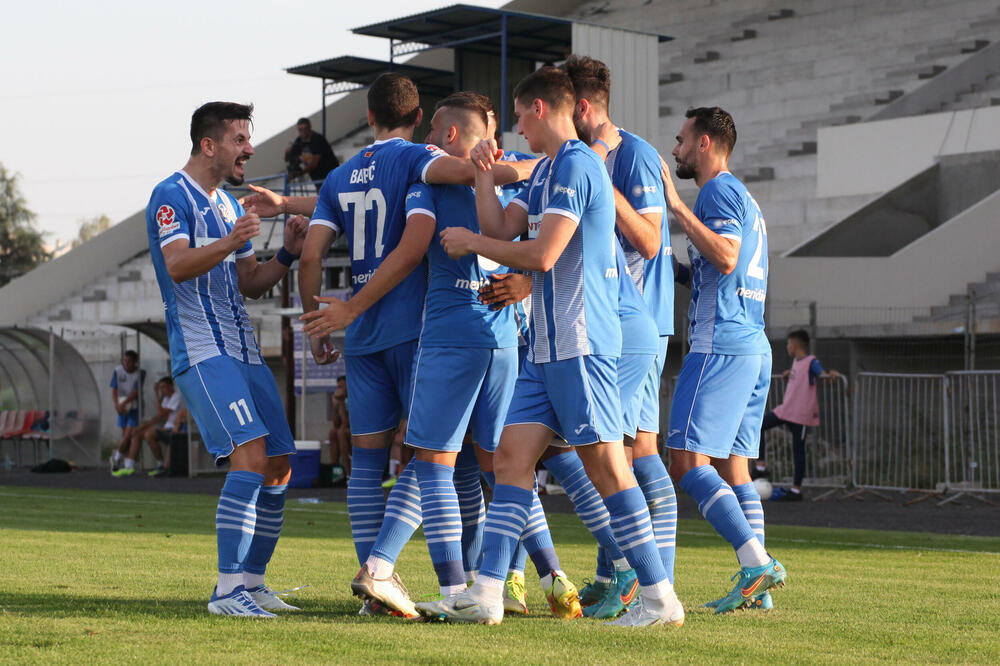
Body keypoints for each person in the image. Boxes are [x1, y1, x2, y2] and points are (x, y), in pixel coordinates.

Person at [419, 66, 683, 627]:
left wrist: (471, 241)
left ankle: (660, 598)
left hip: (582, 344)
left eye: (518, 115)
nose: (515, 126)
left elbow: (542, 255)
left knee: (610, 470)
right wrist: (485, 176)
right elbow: (502, 223)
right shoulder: (543, 173)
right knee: (512, 460)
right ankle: (489, 593)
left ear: (539, 109)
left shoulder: (577, 165)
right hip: (546, 348)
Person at [265, 73, 535, 617]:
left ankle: (381, 584)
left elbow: (313, 254)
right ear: (417, 122)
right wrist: (551, 162)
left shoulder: (340, 177)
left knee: (368, 465)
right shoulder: (418, 159)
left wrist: (322, 317)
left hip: (361, 337)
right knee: (434, 457)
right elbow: (469, 173)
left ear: (368, 116)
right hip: (419, 329)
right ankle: (454, 584)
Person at [146, 101, 309, 618]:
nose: (250, 148)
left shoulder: (231, 206)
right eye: (240, 139)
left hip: (244, 349)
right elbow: (176, 266)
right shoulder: (171, 195)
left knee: (280, 466)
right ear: (209, 145)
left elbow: (250, 284)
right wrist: (230, 241)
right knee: (251, 456)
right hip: (202, 349)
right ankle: (226, 590)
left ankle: (254, 584)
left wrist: (285, 253)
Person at [564, 54, 679, 615]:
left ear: (582, 107)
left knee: (614, 453)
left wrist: (599, 188)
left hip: (636, 324)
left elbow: (653, 242)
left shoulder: (630, 155)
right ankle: (622, 574)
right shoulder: (590, 155)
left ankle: (640, 578)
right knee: (623, 450)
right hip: (614, 322)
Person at [661, 106, 786, 614]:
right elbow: (722, 268)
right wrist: (669, 267)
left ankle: (755, 562)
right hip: (752, 344)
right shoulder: (745, 199)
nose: (676, 149)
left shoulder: (717, 191)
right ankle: (757, 590)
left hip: (722, 344)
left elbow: (728, 256)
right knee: (736, 468)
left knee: (686, 461)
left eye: (681, 139)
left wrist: (675, 205)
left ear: (706, 143)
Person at [755, 329, 841, 501]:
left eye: (788, 343)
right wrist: (789, 374)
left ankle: (796, 490)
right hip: (787, 410)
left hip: (800, 415)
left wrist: (831, 375)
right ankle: (761, 466)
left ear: (795, 344)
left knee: (798, 450)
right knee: (759, 425)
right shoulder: (796, 362)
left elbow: (823, 376)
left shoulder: (811, 362)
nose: (787, 346)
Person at [112, 376, 182, 477]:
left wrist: (156, 395)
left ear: (171, 386)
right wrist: (143, 426)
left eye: (164, 387)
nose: (162, 390)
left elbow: (162, 412)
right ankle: (129, 466)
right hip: (166, 427)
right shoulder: (166, 399)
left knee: (149, 434)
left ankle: (161, 464)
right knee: (137, 433)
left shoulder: (177, 396)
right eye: (160, 388)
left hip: (175, 428)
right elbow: (158, 417)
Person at [109, 350, 144, 474]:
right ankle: (126, 464)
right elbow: (114, 389)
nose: (126, 363)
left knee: (130, 434)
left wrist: (123, 403)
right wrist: (117, 405)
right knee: (126, 437)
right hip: (122, 408)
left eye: (129, 361)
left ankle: (117, 457)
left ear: (135, 362)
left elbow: (136, 391)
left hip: (134, 408)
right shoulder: (117, 371)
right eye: (125, 360)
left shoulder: (140, 373)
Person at [285, 117, 339, 188]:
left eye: (305, 128)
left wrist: (300, 173)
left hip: (330, 176)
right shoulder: (299, 141)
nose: (303, 131)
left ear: (309, 127)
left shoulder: (317, 139)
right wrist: (288, 152)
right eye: (300, 129)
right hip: (317, 178)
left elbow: (314, 163)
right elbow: (288, 158)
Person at [328, 375, 350, 484]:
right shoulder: (342, 400)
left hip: (357, 431)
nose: (339, 390)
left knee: (341, 432)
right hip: (346, 430)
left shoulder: (353, 399)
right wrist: (336, 406)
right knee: (333, 432)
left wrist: (341, 403)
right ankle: (336, 470)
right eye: (338, 387)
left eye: (341, 387)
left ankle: (348, 473)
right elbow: (336, 424)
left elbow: (347, 424)